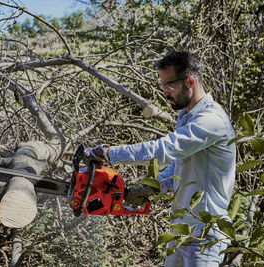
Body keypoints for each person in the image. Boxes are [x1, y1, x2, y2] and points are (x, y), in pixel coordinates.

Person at [83, 50, 236, 266]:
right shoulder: (186, 116)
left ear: (190, 82)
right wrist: (150, 188)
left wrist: (108, 153)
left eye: (169, 86)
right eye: (163, 86)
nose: (165, 92)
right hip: (181, 231)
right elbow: (179, 166)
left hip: (205, 235)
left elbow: (163, 150)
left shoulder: (211, 120)